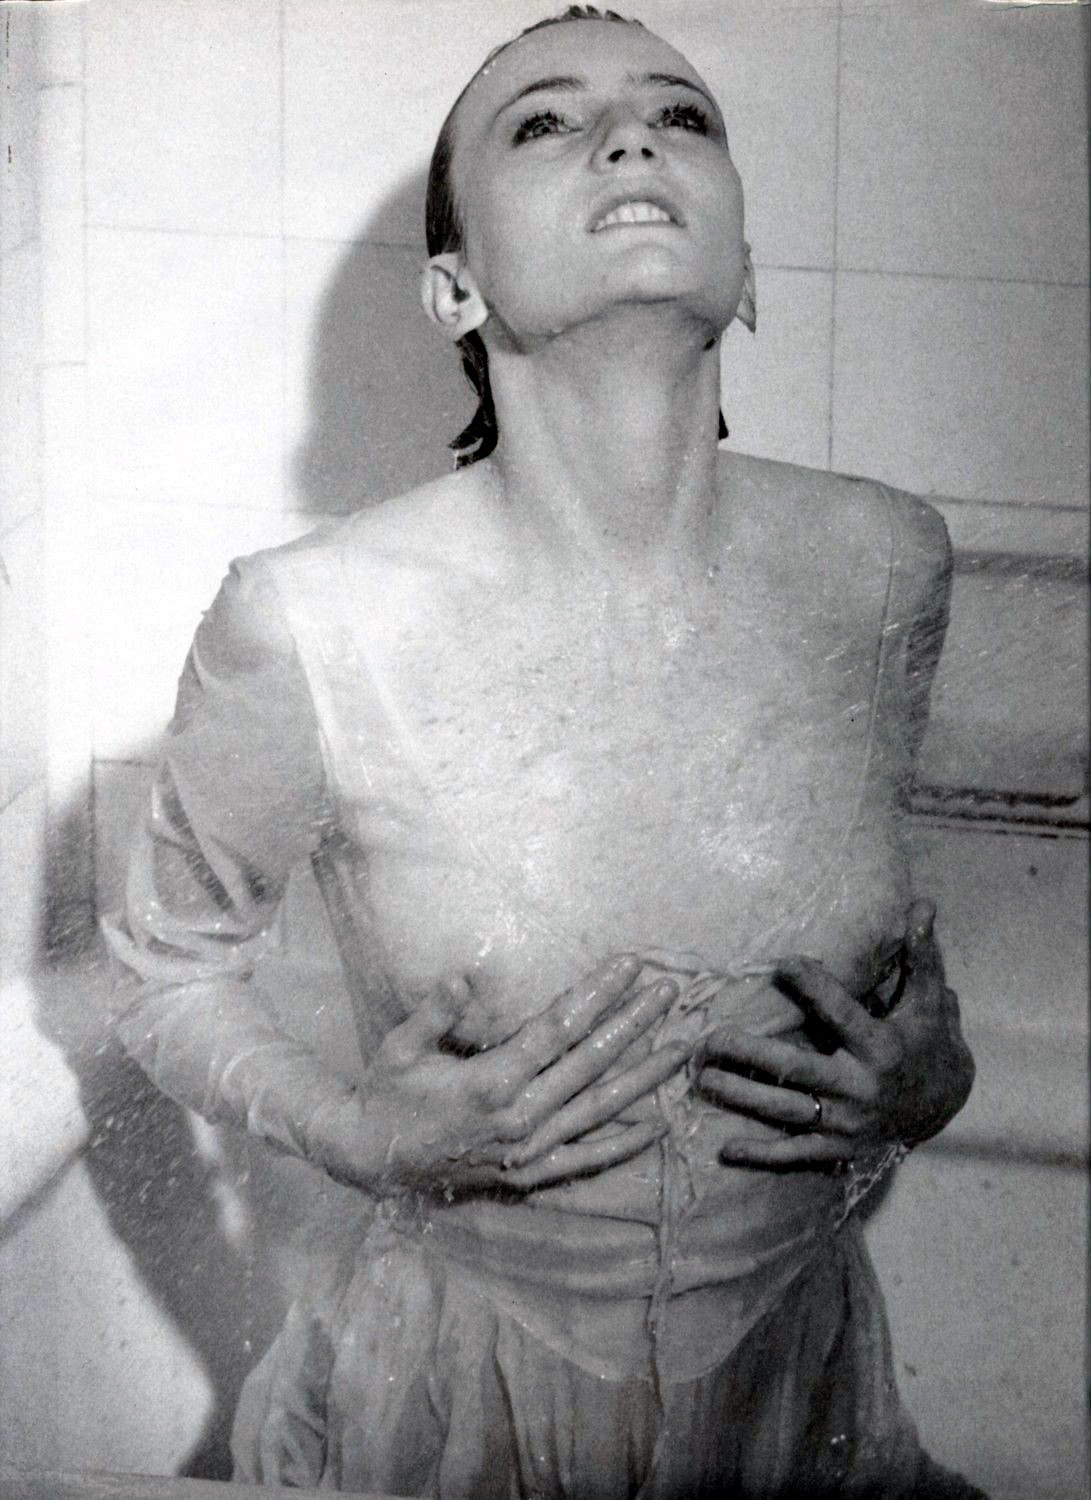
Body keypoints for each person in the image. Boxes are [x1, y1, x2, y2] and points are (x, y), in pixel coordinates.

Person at [105, 8, 981, 1496]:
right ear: (455, 288)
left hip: (797, 1388)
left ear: (748, 270)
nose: (631, 138)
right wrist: (354, 1131)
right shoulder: (312, 620)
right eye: (547, 123)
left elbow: (888, 968)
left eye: (681, 116)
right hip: (460, 1398)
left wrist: (931, 1081)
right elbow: (161, 972)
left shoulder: (886, 567)